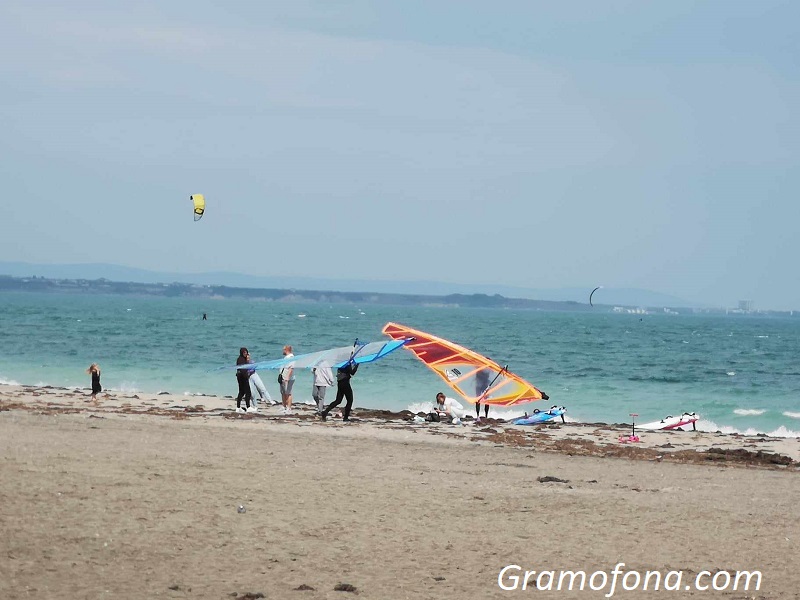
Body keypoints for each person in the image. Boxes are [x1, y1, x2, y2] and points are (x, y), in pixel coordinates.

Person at [235, 347, 253, 413]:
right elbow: (242, 369)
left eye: (246, 352)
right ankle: (248, 407)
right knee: (247, 392)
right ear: (242, 353)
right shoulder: (240, 359)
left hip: (242, 377)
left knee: (242, 392)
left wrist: (248, 359)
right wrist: (247, 375)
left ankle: (238, 407)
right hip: (242, 377)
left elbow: (248, 366)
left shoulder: (245, 359)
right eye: (244, 352)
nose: (245, 354)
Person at [279, 345, 295, 414]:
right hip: (283, 377)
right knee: (283, 392)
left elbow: (291, 368)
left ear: (287, 350)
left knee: (288, 393)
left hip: (288, 378)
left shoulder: (291, 357)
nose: (283, 351)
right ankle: (284, 406)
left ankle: (289, 408)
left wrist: (288, 377)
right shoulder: (286, 357)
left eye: (284, 350)